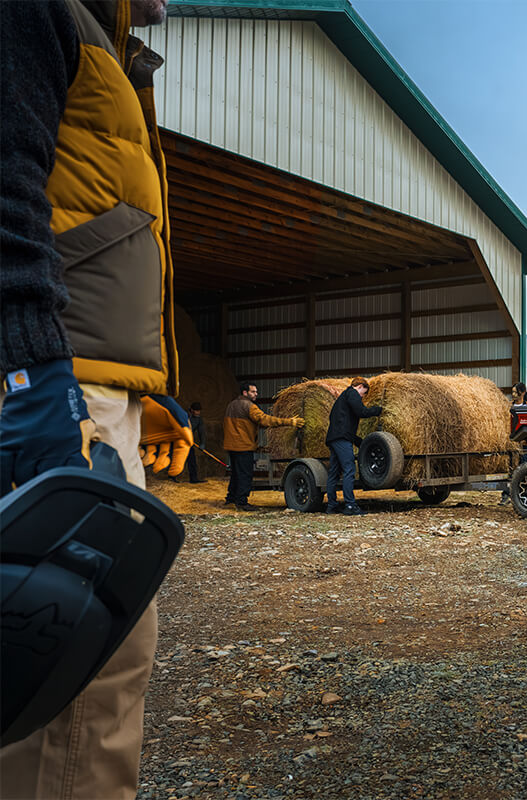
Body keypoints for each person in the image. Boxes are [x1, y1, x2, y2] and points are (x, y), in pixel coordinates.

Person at [0, 0, 175, 796]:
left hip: (94, 384)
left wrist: (144, 390)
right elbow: (7, 180)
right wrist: (31, 374)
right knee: (76, 658)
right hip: (54, 381)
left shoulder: (108, 42)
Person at [222, 382, 303, 511]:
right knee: (245, 475)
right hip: (243, 447)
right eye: (253, 392)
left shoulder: (231, 405)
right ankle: (242, 502)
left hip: (232, 446)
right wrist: (289, 422)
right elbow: (264, 420)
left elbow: (240, 427)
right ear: (245, 393)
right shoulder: (249, 406)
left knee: (236, 474)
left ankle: (230, 499)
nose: (256, 394)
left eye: (256, 392)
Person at [325, 376, 382, 516]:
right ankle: (350, 505)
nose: (362, 397)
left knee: (334, 472)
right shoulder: (352, 393)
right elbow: (361, 411)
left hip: (334, 438)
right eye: (364, 393)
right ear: (360, 386)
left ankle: (332, 506)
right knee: (349, 469)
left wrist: (358, 441)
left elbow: (343, 424)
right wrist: (377, 410)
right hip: (341, 439)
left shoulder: (342, 399)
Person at [499, 382, 527, 505]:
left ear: (522, 393)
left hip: (525, 445)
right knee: (509, 471)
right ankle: (506, 496)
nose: (513, 394)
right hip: (511, 445)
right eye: (512, 392)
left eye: (515, 392)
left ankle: (525, 496)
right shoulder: (509, 407)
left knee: (525, 471)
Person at [186, 401, 206, 483]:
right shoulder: (185, 416)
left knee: (192, 460)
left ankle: (193, 479)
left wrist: (202, 443)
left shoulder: (199, 419)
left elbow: (201, 432)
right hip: (179, 440)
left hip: (189, 442)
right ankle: (172, 477)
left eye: (199, 411)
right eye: (196, 411)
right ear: (191, 410)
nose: (198, 413)